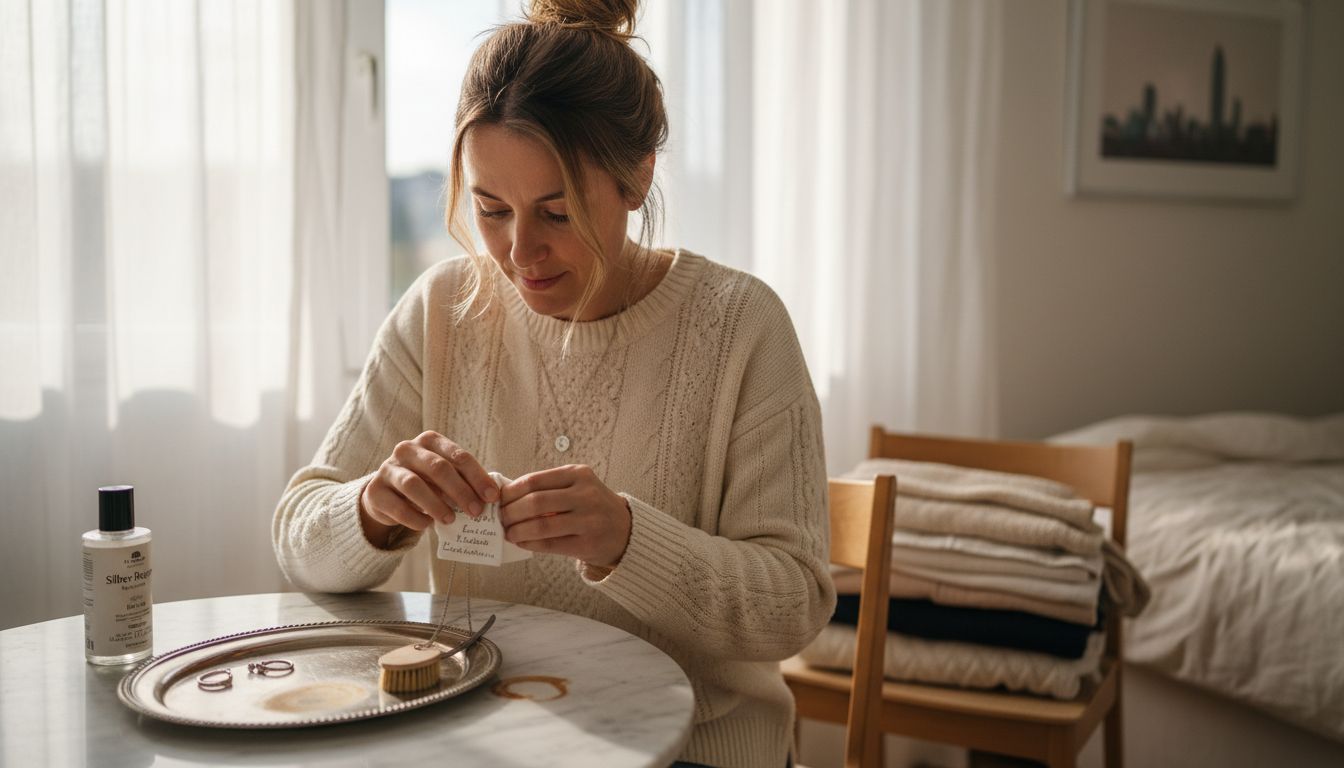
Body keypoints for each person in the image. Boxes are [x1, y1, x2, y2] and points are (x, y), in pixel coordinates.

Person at [272, 0, 834, 764]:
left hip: (696, 748)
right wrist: (372, 508)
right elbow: (299, 539)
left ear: (638, 179)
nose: (519, 250)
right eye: (491, 208)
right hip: (482, 741)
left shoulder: (740, 325)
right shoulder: (443, 308)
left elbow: (794, 603)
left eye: (557, 212)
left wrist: (630, 540)